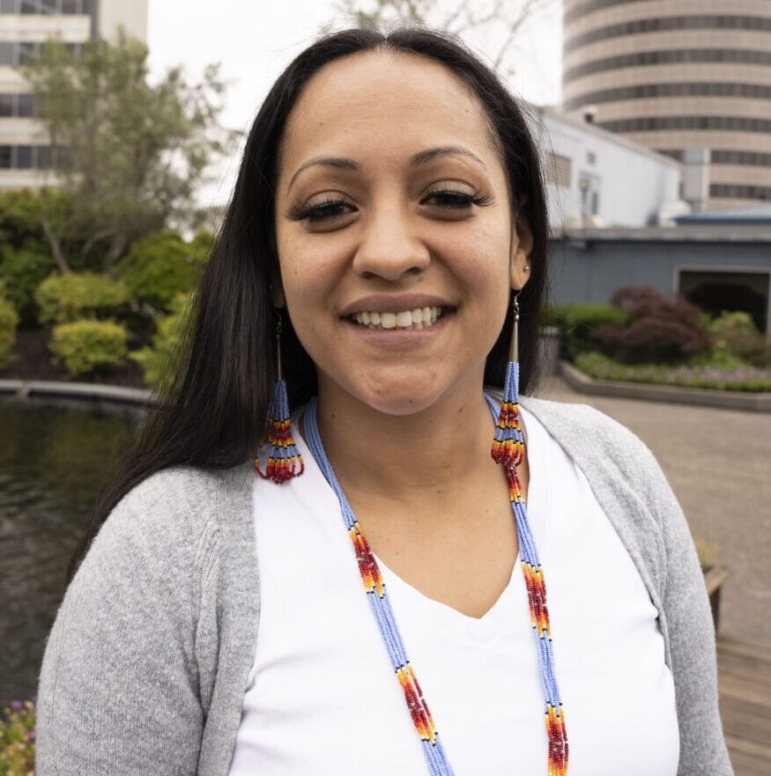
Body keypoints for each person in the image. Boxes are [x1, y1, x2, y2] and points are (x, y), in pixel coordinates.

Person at [36, 26, 733, 776]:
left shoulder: (615, 475)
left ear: (520, 244)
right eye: (328, 207)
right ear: (271, 265)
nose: (390, 253)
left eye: (447, 197)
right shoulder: (166, 556)